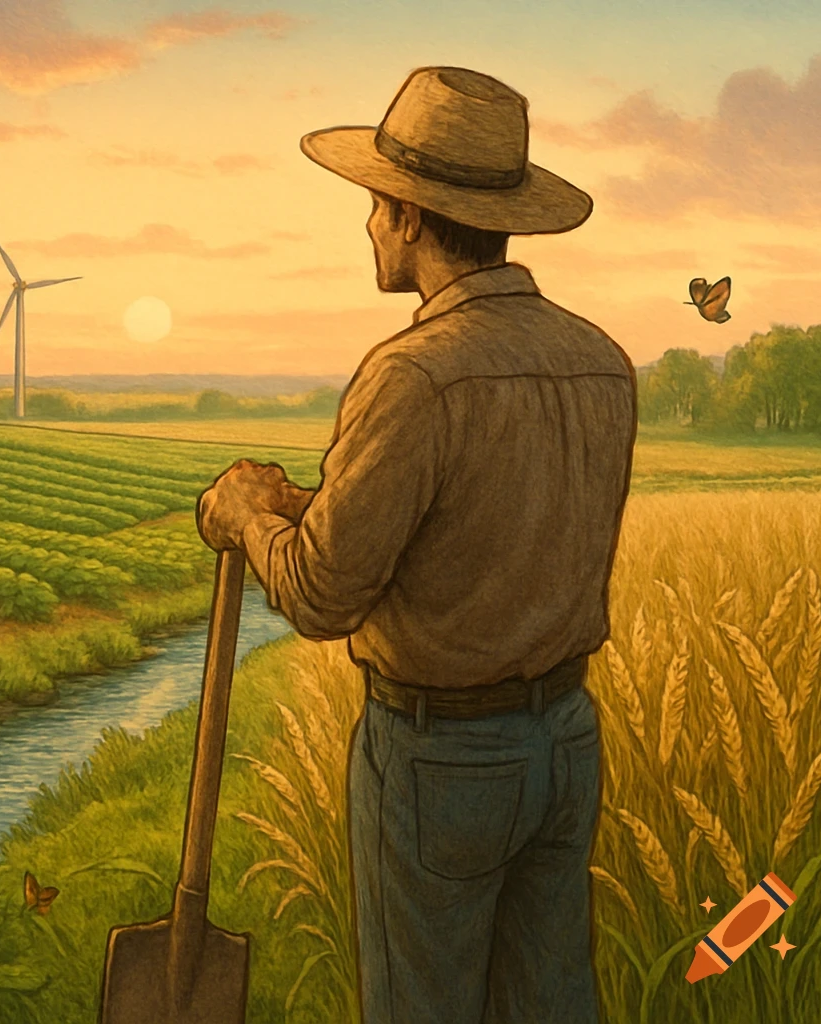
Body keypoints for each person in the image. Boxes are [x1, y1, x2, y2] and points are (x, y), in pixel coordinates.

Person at [197, 66, 637, 1023]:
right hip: (564, 740)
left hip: (441, 759)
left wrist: (248, 517)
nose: (366, 225)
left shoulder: (413, 376)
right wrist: (316, 500)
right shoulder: (601, 359)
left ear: (407, 214)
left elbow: (321, 597)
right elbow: (476, 520)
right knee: (551, 1004)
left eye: (372, 205)